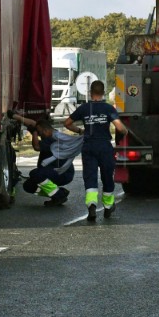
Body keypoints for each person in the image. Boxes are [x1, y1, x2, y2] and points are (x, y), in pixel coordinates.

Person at [64, 80, 127, 221]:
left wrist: (80, 131)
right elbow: (120, 128)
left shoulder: (84, 108)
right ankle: (108, 206)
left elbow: (67, 123)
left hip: (89, 147)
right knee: (107, 176)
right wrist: (125, 132)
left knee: (90, 176)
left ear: (90, 93)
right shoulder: (108, 108)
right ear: (103, 92)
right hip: (104, 147)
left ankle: (91, 205)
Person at [9, 112, 83, 207]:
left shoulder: (54, 139)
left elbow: (36, 146)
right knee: (28, 186)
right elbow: (33, 123)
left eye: (39, 133)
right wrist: (15, 116)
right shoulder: (50, 133)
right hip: (54, 171)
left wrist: (34, 133)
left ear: (45, 130)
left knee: (36, 174)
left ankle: (59, 196)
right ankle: (58, 193)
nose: (39, 135)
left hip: (63, 173)